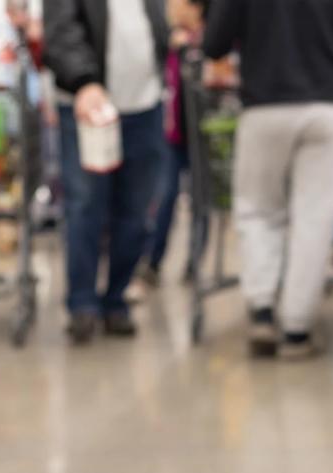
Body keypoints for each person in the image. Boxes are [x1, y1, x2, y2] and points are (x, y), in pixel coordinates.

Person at [203, 0, 333, 359]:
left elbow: (214, 42)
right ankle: (297, 329)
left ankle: (262, 309)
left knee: (258, 209)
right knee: (315, 217)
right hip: (328, 107)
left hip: (264, 105)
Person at [44, 0, 169, 344]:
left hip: (145, 107)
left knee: (137, 208)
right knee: (85, 206)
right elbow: (60, 32)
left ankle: (116, 299)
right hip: (86, 105)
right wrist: (83, 81)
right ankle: (82, 303)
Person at [140, 0, 206, 287]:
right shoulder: (166, 41)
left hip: (201, 134)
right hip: (172, 135)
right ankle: (153, 260)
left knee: (200, 202)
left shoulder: (208, 41)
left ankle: (195, 262)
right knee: (164, 197)